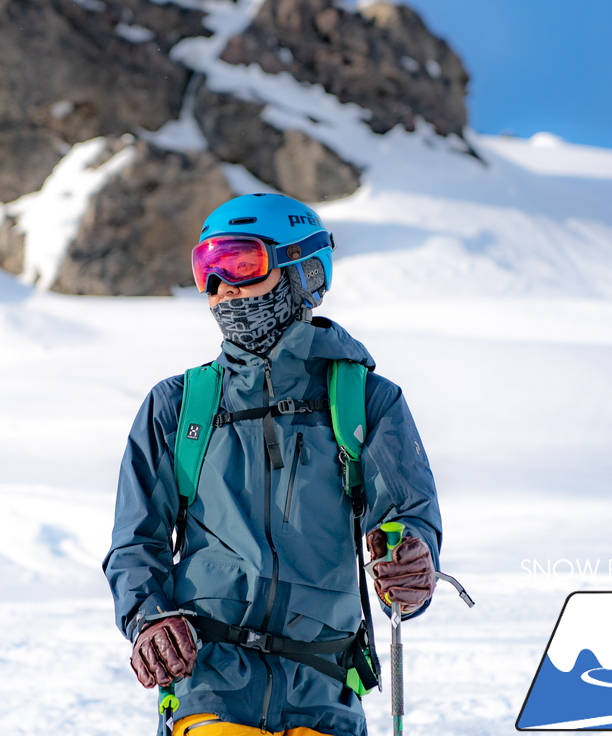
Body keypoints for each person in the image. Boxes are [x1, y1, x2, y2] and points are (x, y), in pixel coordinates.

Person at [103, 193, 443, 736]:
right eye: (206, 271)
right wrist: (149, 616)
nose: (224, 288)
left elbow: (408, 517)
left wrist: (409, 561)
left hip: (323, 687)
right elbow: (135, 540)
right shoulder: (179, 405)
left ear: (302, 270)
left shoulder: (365, 401)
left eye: (240, 262)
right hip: (209, 683)